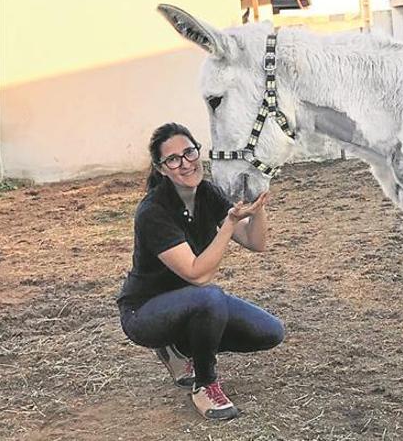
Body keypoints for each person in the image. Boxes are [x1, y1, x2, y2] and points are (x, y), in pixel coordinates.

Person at [117, 123, 284, 420]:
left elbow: (256, 242)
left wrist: (259, 203)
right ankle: (205, 385)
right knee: (210, 297)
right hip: (144, 312)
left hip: (191, 303)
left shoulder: (207, 193)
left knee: (270, 332)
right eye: (173, 159)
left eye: (189, 152)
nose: (185, 163)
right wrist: (230, 223)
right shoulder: (153, 211)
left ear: (198, 151)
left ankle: (179, 346)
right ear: (161, 169)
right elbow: (198, 274)